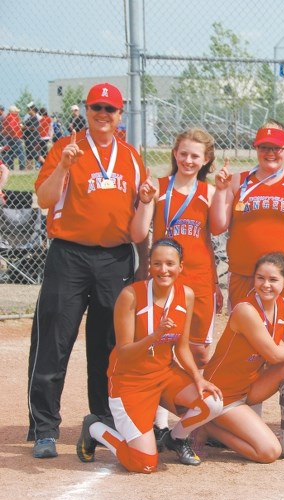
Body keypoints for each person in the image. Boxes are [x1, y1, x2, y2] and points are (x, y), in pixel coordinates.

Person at [27, 82, 147, 459]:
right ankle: (45, 428)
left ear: (120, 113)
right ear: (86, 109)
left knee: (108, 345)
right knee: (55, 341)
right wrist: (64, 166)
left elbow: (139, 217)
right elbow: (44, 198)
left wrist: (141, 263)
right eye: (97, 107)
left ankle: (102, 421)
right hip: (70, 256)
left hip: (114, 259)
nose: (103, 114)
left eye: (110, 109)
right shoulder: (66, 149)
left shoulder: (130, 156)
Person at [75, 238, 224, 471]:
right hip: (130, 381)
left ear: (180, 266)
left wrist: (198, 378)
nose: (163, 270)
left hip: (163, 375)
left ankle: (175, 438)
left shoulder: (186, 295)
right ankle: (95, 428)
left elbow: (182, 347)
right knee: (143, 464)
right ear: (149, 266)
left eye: (170, 264)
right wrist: (154, 336)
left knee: (211, 403)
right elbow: (123, 353)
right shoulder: (130, 295)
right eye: (157, 264)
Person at [131, 128, 223, 441]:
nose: (188, 159)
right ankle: (158, 423)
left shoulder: (208, 192)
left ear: (206, 159)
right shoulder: (157, 188)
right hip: (164, 279)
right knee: (161, 347)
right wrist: (144, 203)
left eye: (195, 155)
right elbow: (138, 233)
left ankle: (198, 416)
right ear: (174, 153)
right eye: (183, 153)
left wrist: (223, 193)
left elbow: (217, 233)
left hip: (199, 278)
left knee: (198, 351)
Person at [202, 253, 284, 461]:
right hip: (222, 396)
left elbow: (273, 345)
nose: (265, 285)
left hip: (247, 389)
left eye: (273, 279)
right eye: (260, 278)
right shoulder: (246, 310)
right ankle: (207, 425)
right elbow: (273, 354)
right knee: (269, 452)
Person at [213, 120, 284, 345]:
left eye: (277, 147)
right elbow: (218, 226)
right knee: (244, 341)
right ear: (255, 148)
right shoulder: (238, 181)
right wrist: (220, 191)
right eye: (264, 147)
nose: (271, 153)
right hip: (244, 275)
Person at [2, 105, 25, 170]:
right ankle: (22, 166)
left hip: (9, 137)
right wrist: (16, 132)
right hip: (15, 136)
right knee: (20, 152)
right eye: (16, 111)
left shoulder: (8, 116)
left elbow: (6, 127)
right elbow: (12, 127)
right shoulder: (13, 117)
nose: (17, 112)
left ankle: (10, 166)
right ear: (13, 111)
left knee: (10, 152)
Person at [22, 103, 40, 169]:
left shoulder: (34, 118)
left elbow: (34, 128)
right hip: (28, 139)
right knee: (29, 154)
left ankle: (46, 164)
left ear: (33, 110)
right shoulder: (29, 118)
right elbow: (24, 124)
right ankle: (28, 168)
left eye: (29, 109)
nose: (28, 111)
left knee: (35, 154)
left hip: (33, 138)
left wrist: (25, 127)